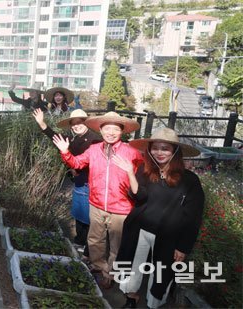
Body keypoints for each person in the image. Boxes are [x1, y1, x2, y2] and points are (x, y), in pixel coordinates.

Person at [112, 128, 204, 308]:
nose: (159, 152)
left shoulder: (190, 181)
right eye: (155, 148)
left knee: (161, 271)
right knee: (133, 265)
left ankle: (154, 303)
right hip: (140, 229)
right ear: (149, 149)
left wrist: (183, 246)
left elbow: (193, 216)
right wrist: (131, 173)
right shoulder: (145, 170)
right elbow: (139, 198)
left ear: (175, 151)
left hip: (168, 235)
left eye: (165, 148)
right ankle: (131, 298)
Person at [53, 111, 143, 289]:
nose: (110, 132)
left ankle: (110, 273)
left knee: (117, 243)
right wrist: (65, 152)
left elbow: (144, 176)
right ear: (100, 130)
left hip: (121, 207)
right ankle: (99, 268)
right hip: (96, 203)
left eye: (115, 129)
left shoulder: (132, 152)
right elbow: (77, 164)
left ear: (122, 131)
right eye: (106, 128)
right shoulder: (93, 150)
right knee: (95, 240)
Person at [32, 108, 102, 258]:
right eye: (74, 123)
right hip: (79, 182)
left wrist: (78, 168)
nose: (76, 126)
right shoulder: (76, 139)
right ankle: (79, 242)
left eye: (80, 122)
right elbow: (57, 138)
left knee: (89, 218)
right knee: (79, 214)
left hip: (90, 183)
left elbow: (95, 162)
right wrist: (42, 124)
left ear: (86, 122)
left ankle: (89, 252)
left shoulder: (94, 139)